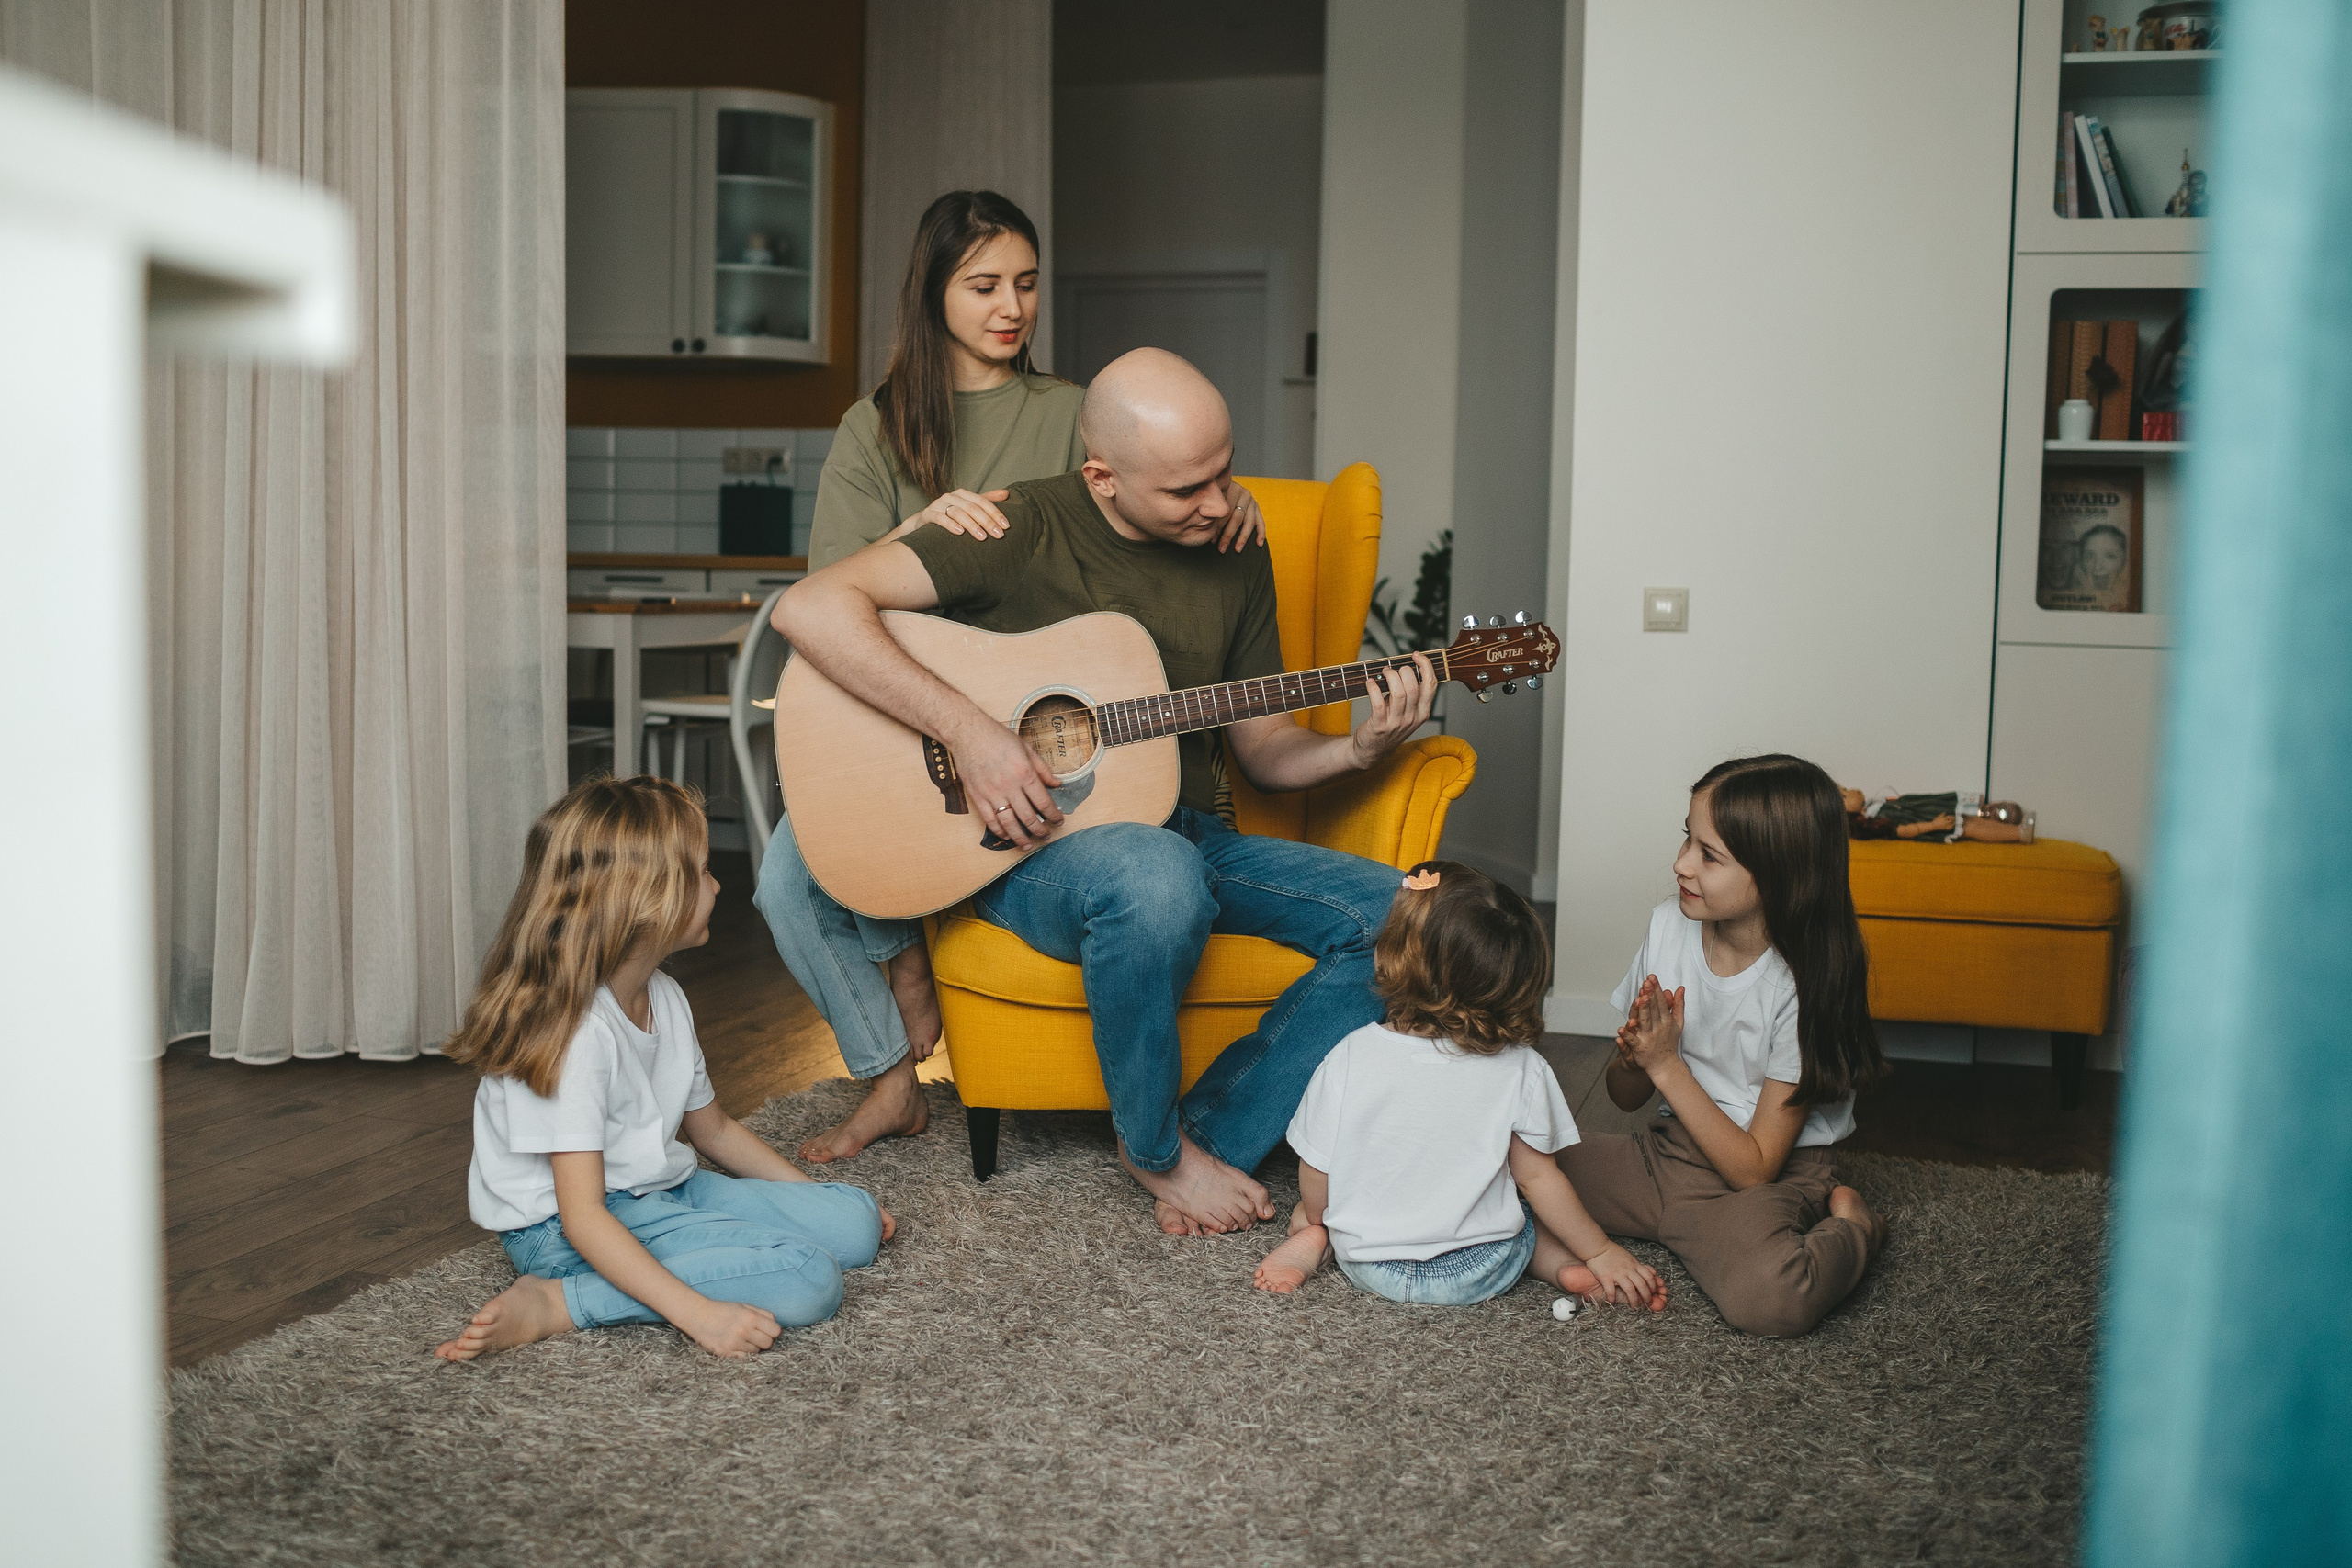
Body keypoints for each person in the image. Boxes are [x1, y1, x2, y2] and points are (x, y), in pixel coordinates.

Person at [774, 348, 1436, 1235]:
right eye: (1184, 490)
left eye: (1223, 474)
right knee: (1154, 876)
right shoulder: (1015, 529)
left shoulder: (1235, 548)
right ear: (1103, 478)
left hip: (1186, 829)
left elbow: (1268, 751)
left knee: (1407, 920)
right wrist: (972, 734)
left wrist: (1360, 748)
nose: (1217, 505)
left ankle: (1212, 1131)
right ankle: (1154, 1149)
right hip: (1039, 850)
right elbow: (809, 609)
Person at [758, 190, 1265, 1168]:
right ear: (932, 293)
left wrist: (1224, 495)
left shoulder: (1073, 413)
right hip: (897, 702)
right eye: (983, 284)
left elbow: (1152, 484)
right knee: (788, 881)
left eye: (1027, 284)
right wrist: (922, 532)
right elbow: (826, 594)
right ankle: (891, 1076)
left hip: (1036, 727)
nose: (1011, 307)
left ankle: (912, 950)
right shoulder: (874, 430)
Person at [435, 775, 891, 1362]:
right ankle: (561, 1302)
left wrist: (817, 1206)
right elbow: (584, 1215)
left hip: (662, 1190)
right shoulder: (575, 1033)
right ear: (647, 902)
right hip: (569, 1232)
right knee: (806, 1278)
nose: (719, 883)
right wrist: (697, 1314)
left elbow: (714, 1131)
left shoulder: (665, 995)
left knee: (852, 1222)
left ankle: (705, 1257)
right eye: (702, 871)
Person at [1561, 754, 1890, 1337]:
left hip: (1769, 1176)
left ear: (1781, 874)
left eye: (1709, 855)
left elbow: (1754, 1171)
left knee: (1770, 1299)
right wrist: (1639, 1057)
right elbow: (1625, 1094)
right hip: (1666, 1156)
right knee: (1512, 1161)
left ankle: (1857, 1231)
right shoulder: (1668, 926)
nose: (1681, 863)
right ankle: (1648, 1233)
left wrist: (1666, 1065)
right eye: (1688, 839)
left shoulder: (1805, 982)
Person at [1250, 863, 1668, 1312]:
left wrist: (1317, 1219)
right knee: (1523, 1207)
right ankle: (1559, 1266)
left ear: (1393, 957)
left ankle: (1317, 1241)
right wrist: (1601, 1251)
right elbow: (1539, 1178)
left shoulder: (1351, 1054)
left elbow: (1317, 1168)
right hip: (1482, 1267)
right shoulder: (1521, 1068)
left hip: (1372, 1262)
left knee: (1321, 1211)